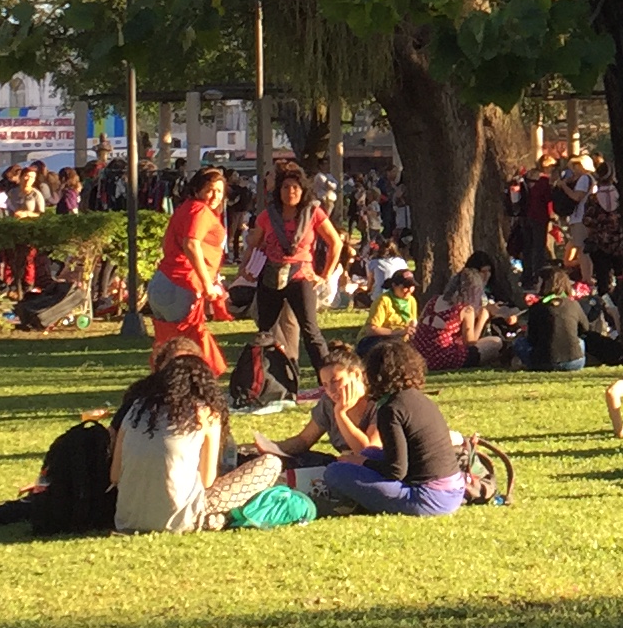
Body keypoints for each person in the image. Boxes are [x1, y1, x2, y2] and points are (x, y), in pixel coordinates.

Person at [107, 352, 281, 532]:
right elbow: (207, 481)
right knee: (271, 464)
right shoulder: (206, 415)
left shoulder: (135, 410)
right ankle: (216, 519)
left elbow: (115, 475)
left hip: (126, 520)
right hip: (180, 519)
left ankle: (215, 519)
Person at [306, 334, 469, 515]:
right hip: (452, 490)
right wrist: (366, 459)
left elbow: (396, 470)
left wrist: (362, 462)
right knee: (370, 452)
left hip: (427, 497)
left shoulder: (390, 409)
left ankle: (349, 500)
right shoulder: (418, 399)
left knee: (335, 472)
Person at [238, 161, 342, 405]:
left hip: (301, 277)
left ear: (302, 189)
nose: (290, 192)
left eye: (295, 187)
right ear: (279, 191)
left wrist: (324, 274)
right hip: (271, 277)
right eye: (285, 187)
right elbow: (254, 244)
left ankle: (327, 384)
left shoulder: (313, 212)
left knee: (311, 331)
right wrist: (245, 269)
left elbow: (335, 243)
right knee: (265, 332)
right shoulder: (267, 216)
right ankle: (266, 383)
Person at [147, 170, 235, 376]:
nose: (215, 196)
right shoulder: (199, 211)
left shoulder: (185, 208)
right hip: (181, 284)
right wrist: (207, 285)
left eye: (219, 191)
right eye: (209, 190)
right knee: (186, 345)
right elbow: (191, 244)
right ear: (197, 189)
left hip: (162, 282)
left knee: (167, 343)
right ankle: (191, 384)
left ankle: (163, 385)